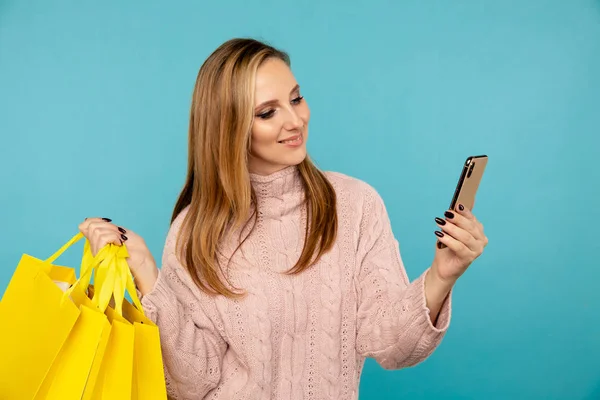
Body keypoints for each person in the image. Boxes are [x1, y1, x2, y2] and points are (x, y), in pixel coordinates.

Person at [79, 38, 487, 399]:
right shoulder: (193, 233)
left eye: (295, 98)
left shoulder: (355, 205)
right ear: (228, 128)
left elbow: (394, 347)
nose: (295, 120)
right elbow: (192, 383)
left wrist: (442, 275)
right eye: (267, 112)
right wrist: (148, 273)